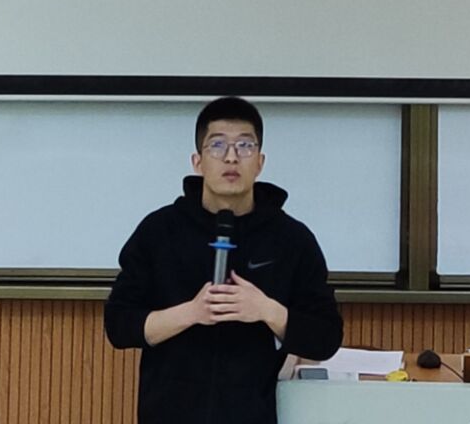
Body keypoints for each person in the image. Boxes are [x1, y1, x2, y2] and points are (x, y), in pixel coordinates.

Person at [104, 97, 344, 424]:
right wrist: (191, 312)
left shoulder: (291, 239)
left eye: (245, 145)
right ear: (198, 161)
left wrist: (266, 310)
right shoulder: (159, 231)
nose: (231, 157)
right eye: (217, 145)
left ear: (260, 162)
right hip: (168, 413)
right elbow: (119, 326)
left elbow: (326, 337)